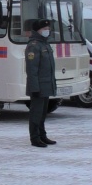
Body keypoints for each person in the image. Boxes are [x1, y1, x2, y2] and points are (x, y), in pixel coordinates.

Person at [24, 19, 57, 147]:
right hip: (38, 86)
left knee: (42, 113)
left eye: (48, 29)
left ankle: (42, 135)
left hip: (46, 85)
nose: (47, 31)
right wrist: (34, 87)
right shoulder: (34, 45)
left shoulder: (45, 44)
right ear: (38, 30)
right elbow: (32, 70)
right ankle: (35, 138)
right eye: (44, 29)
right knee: (36, 113)